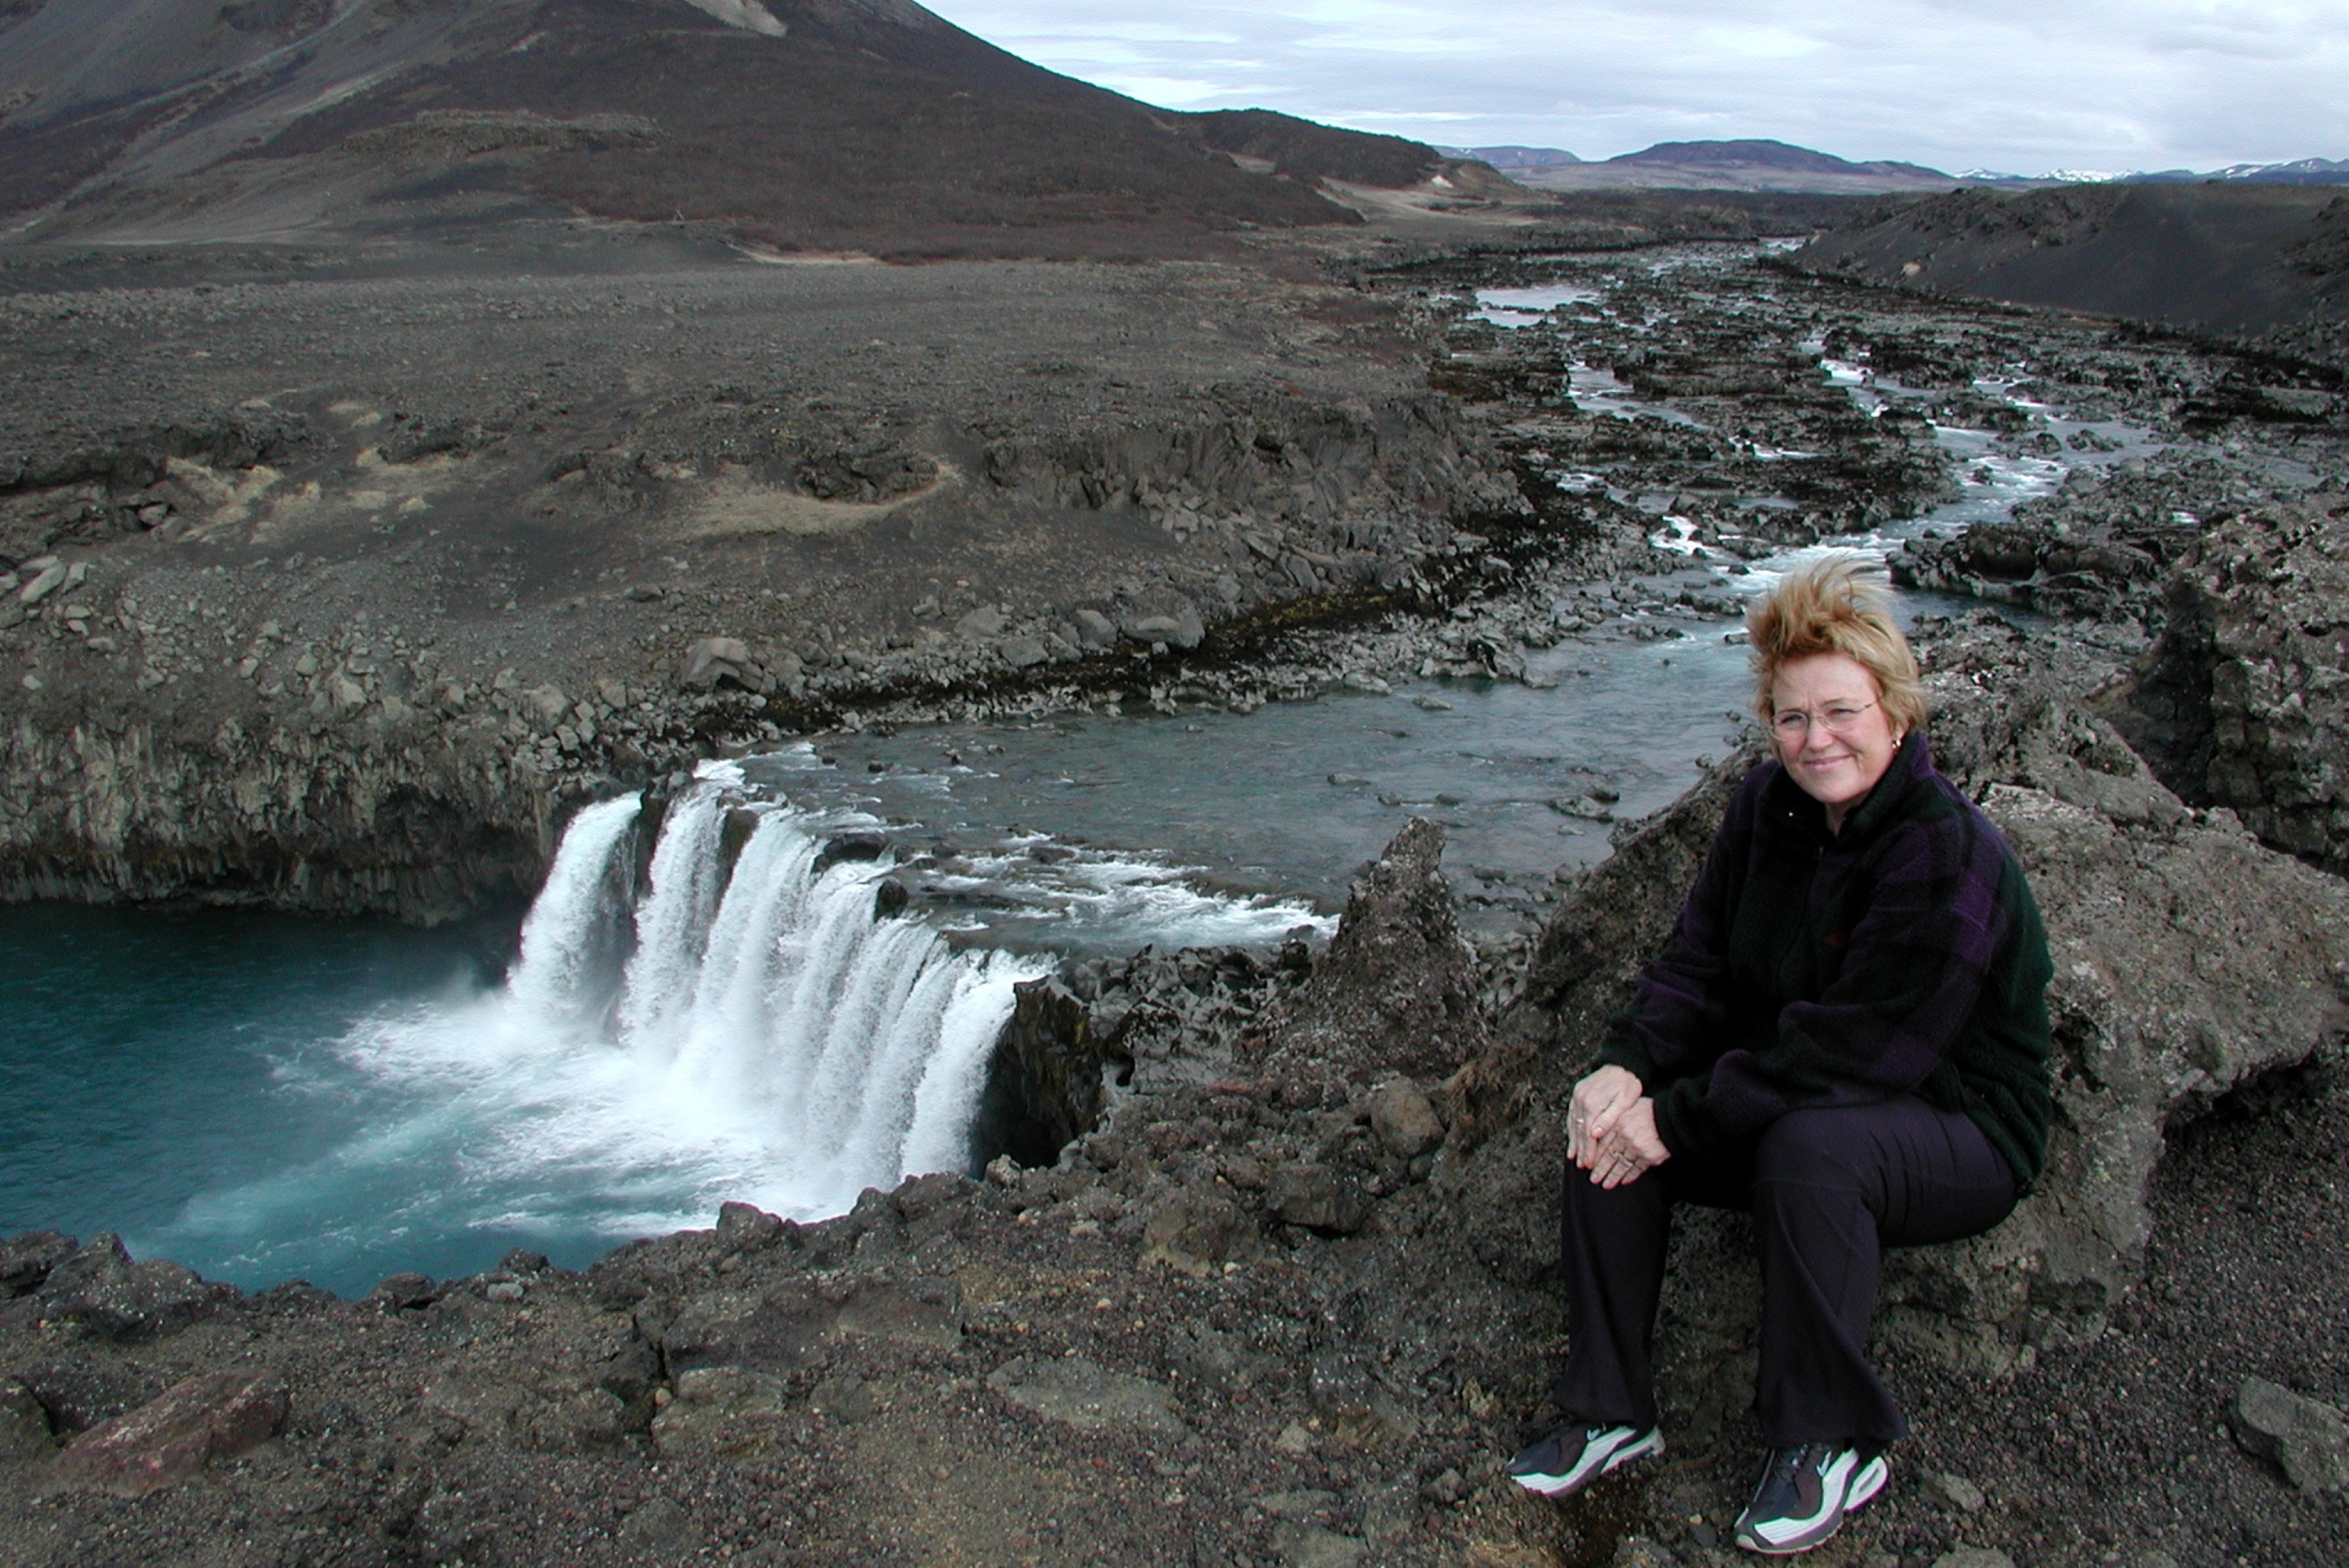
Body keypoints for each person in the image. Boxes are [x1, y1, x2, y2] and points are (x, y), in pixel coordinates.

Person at [1506, 556, 2053, 1556]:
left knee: (1809, 1150)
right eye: (1793, 717)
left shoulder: (1943, 849)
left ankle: (1829, 1438)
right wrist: (1626, 1064)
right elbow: (1697, 963)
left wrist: (1677, 1118)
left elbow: (1863, 1050)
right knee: (1604, 1123)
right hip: (1806, 1084)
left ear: (1894, 713)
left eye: (1840, 711)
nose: (1816, 738)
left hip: (1959, 1120)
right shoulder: (1765, 807)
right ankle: (1607, 1408)